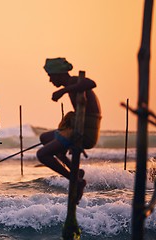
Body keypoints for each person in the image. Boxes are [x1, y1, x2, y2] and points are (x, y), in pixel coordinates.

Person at [36, 57, 101, 204]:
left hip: (85, 132)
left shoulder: (74, 82)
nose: (50, 81)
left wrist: (63, 91)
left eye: (50, 76)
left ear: (59, 74)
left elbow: (92, 83)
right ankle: (75, 171)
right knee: (45, 138)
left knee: (42, 154)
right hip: (78, 128)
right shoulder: (74, 85)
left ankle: (75, 180)